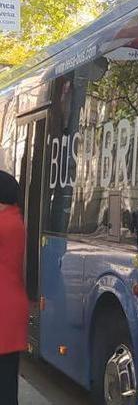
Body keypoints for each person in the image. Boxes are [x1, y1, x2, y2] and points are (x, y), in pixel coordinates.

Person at [0, 170, 27, 405]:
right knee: (7, 378)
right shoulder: (14, 220)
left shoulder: (4, 224)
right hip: (10, 309)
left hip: (3, 311)